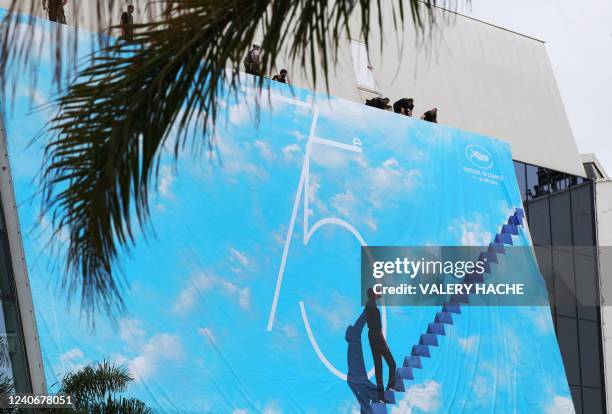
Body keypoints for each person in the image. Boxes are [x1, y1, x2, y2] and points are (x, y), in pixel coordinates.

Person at [365, 288, 396, 402]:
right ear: (372, 296)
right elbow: (378, 329)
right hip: (378, 338)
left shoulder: (368, 307)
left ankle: (381, 396)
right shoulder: (375, 311)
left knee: (379, 367)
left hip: (371, 338)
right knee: (392, 364)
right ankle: (390, 388)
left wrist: (377, 296)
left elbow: (374, 299)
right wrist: (385, 344)